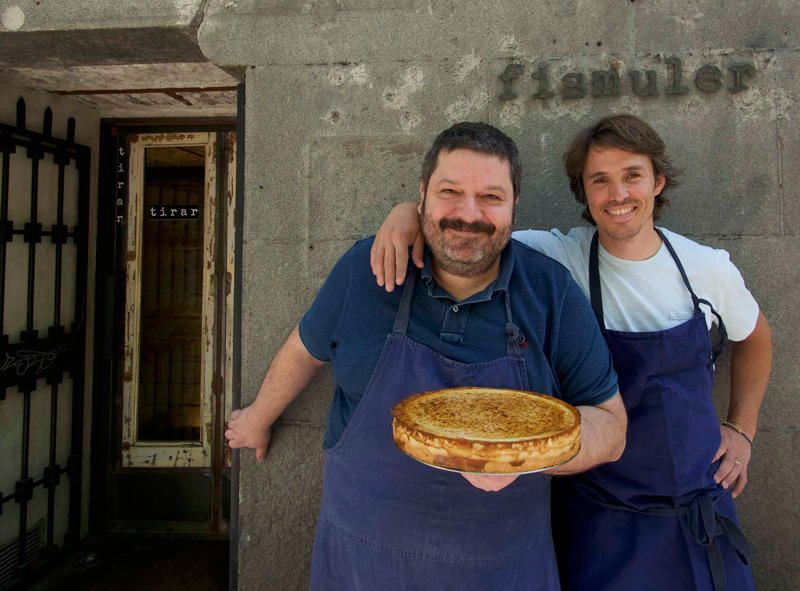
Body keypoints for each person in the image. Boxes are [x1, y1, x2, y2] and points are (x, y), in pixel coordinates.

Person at [370, 114, 773, 591]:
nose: (618, 195)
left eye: (632, 176)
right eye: (599, 181)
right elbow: (469, 230)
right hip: (600, 518)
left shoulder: (707, 269)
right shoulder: (558, 258)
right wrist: (406, 213)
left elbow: (756, 338)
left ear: (658, 181)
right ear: (583, 193)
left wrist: (742, 429)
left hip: (696, 513)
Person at [226, 122, 627, 591]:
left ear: (515, 203)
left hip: (503, 571)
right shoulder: (367, 269)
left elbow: (611, 427)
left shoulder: (550, 292)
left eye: (491, 197)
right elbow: (304, 349)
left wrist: (523, 456)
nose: (468, 213)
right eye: (450, 191)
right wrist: (257, 415)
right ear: (422, 196)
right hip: (359, 566)